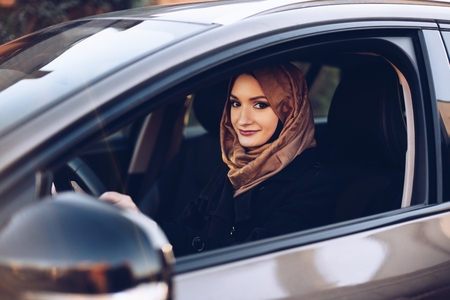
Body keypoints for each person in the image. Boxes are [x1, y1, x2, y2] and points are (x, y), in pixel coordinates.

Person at [100, 63, 338, 256]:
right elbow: (187, 225)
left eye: (260, 105)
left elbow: (253, 262)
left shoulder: (316, 184)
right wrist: (139, 226)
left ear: (289, 111)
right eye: (235, 103)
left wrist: (152, 230)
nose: (242, 119)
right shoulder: (234, 165)